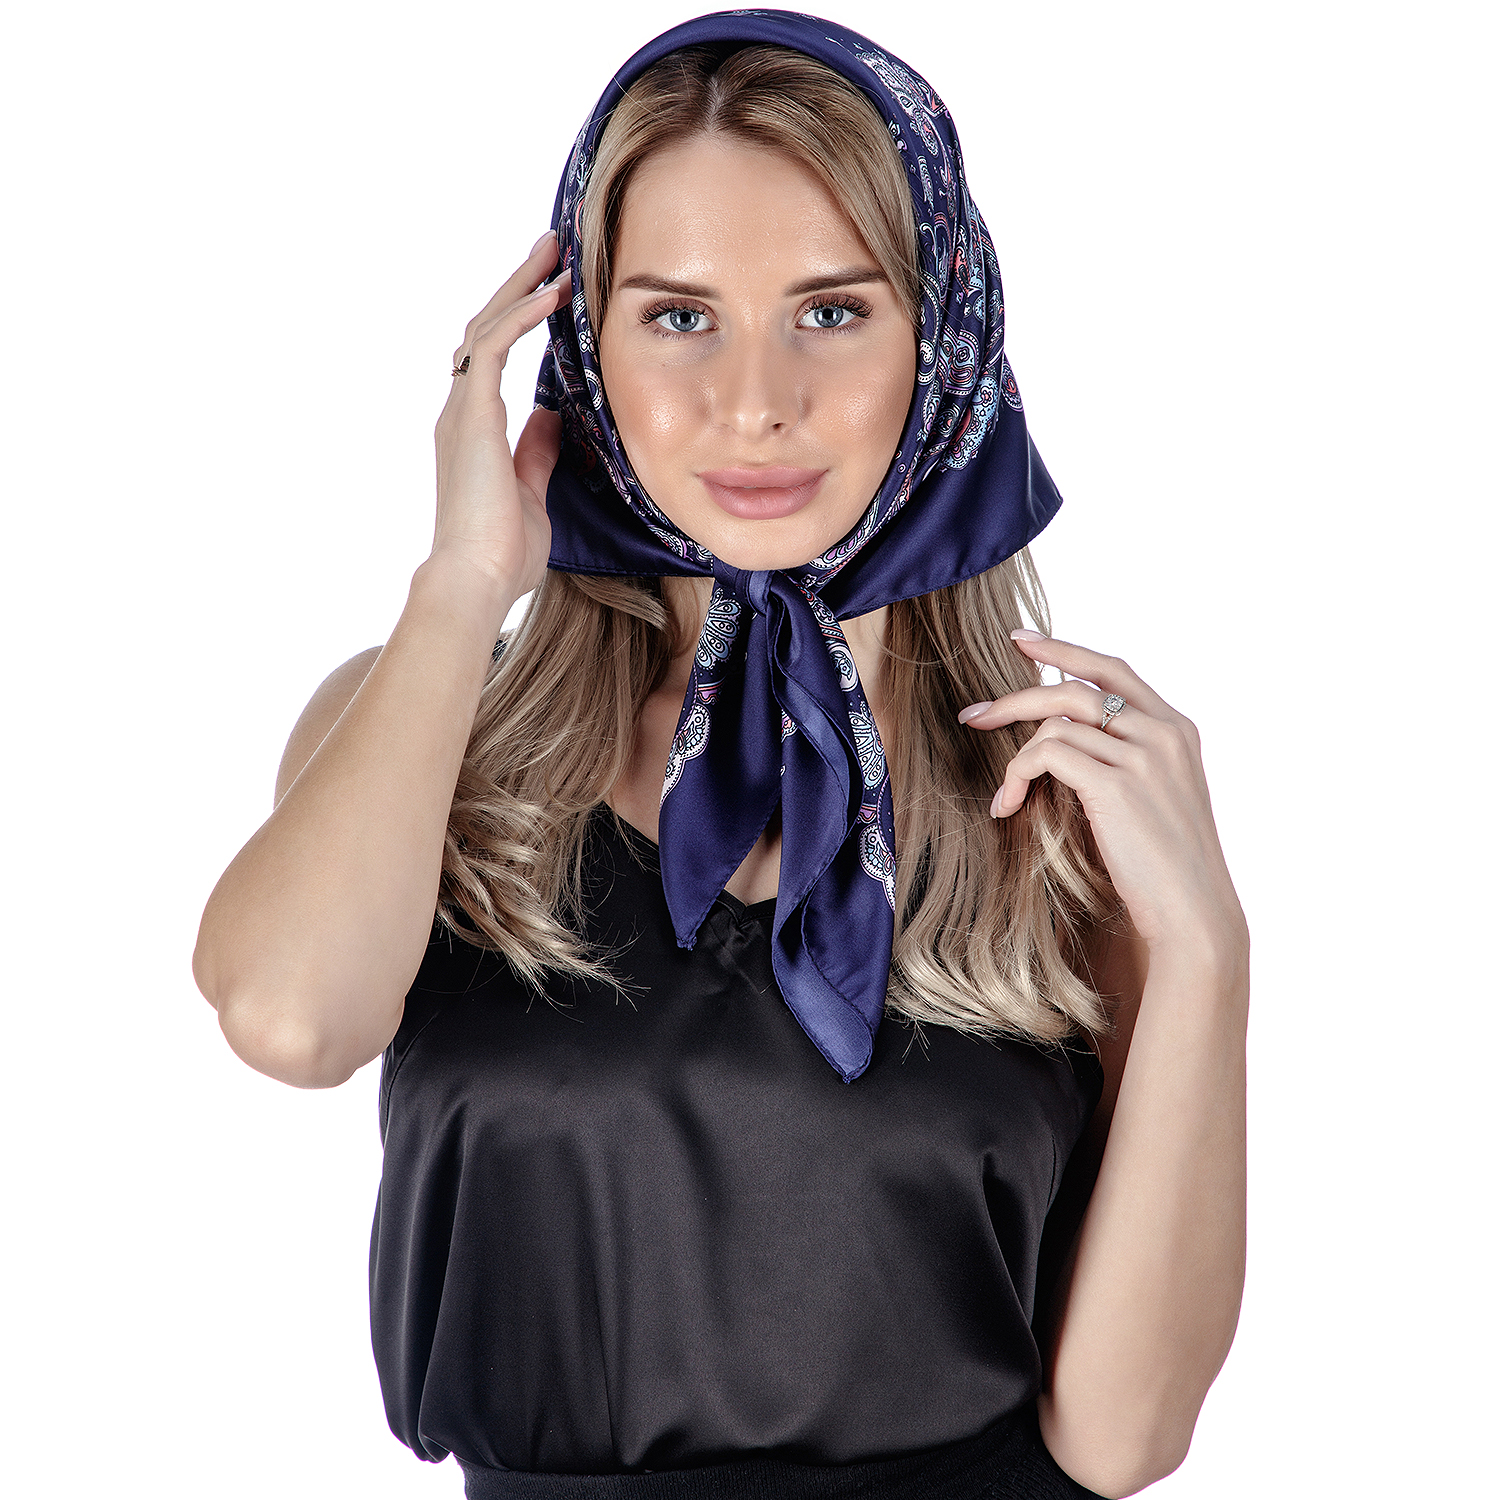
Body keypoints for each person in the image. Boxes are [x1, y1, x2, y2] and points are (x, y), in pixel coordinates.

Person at [193, 11, 1248, 1499]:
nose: (755, 401)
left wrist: (1205, 953)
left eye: (833, 312)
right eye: (679, 317)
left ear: (945, 336)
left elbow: (1124, 1438)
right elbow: (290, 1021)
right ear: (582, 347)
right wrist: (461, 583)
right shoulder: (435, 737)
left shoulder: (1061, 795)